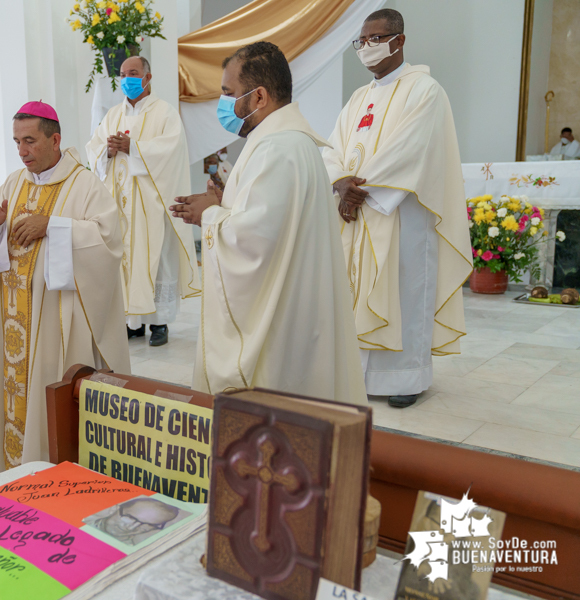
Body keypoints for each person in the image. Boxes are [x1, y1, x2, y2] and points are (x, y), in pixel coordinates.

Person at [170, 42, 366, 406]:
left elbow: (255, 242)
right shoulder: (286, 143)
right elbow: (270, 218)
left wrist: (208, 215)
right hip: (298, 310)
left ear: (258, 96)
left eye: (228, 93)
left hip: (282, 327)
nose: (223, 104)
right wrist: (226, 199)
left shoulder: (278, 148)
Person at [0, 101, 130, 473]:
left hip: (54, 329)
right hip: (15, 328)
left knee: (48, 409)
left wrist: (54, 227)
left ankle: (51, 478)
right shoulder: (13, 182)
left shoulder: (84, 184)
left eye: (30, 141)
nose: (22, 152)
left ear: (55, 139)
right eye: (16, 142)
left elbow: (108, 243)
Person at [323, 9, 472, 408]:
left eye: (375, 39)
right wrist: (339, 182)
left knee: (406, 290)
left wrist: (360, 190)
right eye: (362, 41)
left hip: (402, 213)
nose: (367, 48)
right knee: (358, 289)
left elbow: (412, 147)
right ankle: (358, 373)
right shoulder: (358, 99)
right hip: (357, 213)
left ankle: (407, 378)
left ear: (399, 41)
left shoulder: (425, 91)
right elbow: (332, 148)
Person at [86, 56, 200, 347]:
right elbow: (94, 148)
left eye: (133, 73)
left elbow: (172, 152)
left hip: (152, 204)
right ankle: (132, 322)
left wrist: (133, 148)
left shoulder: (165, 113)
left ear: (147, 77)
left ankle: (159, 322)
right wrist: (108, 152)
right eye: (123, 74)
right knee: (124, 260)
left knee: (157, 259)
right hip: (121, 206)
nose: (127, 79)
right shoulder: (113, 115)